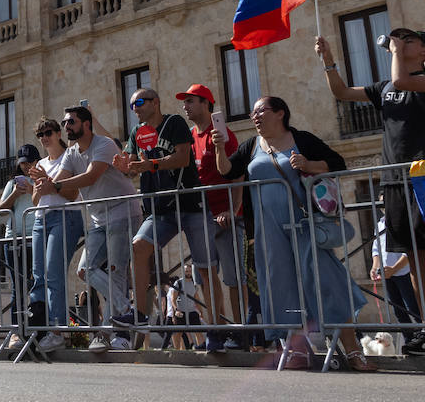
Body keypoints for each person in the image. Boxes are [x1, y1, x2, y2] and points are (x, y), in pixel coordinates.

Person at [316, 28, 425, 357]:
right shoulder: (385, 87)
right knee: (416, 256)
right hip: (396, 180)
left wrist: (395, 51)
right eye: (398, 39)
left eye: (409, 40)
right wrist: (329, 61)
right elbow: (342, 91)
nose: (400, 43)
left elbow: (402, 81)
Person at [216, 96, 375, 372]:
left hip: (304, 224)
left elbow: (337, 163)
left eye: (260, 111)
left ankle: (352, 350)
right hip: (268, 230)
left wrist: (309, 165)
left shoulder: (301, 139)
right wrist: (219, 147)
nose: (255, 117)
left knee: (327, 281)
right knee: (281, 288)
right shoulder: (251, 145)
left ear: (280, 113)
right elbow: (228, 171)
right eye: (252, 113)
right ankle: (298, 351)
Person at [109, 87, 214, 352]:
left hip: (189, 204)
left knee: (205, 271)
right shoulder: (136, 133)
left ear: (155, 102)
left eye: (139, 103)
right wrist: (125, 168)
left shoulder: (174, 122)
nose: (135, 109)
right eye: (132, 105)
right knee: (138, 247)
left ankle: (216, 333)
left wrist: (151, 165)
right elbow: (134, 167)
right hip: (160, 210)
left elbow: (183, 157)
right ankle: (140, 315)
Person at [41, 106, 139, 349]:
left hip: (122, 211)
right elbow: (61, 181)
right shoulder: (71, 152)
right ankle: (125, 308)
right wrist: (45, 182)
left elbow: (90, 176)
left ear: (86, 124)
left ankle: (115, 336)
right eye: (64, 122)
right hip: (98, 219)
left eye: (71, 122)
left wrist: (54, 185)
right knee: (85, 270)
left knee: (116, 272)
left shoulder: (104, 144)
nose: (66, 126)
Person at [177, 83, 244, 349]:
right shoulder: (189, 136)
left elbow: (237, 175)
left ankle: (242, 333)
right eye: (184, 101)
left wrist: (233, 210)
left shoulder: (222, 134)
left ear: (206, 104)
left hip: (226, 217)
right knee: (205, 276)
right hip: (200, 217)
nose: (185, 106)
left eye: (190, 101)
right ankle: (218, 331)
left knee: (234, 278)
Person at [22, 118, 87, 354]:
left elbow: (72, 194)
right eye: (40, 135)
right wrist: (39, 184)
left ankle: (58, 331)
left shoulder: (69, 157)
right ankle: (40, 328)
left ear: (58, 133)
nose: (44, 138)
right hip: (41, 219)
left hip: (65, 216)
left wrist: (47, 181)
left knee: (54, 274)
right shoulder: (40, 163)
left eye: (48, 132)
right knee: (39, 276)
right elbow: (35, 200)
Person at [0, 144, 39, 332]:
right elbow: (0, 211)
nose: (26, 166)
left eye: (29, 162)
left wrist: (32, 189)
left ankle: (37, 328)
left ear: (37, 161)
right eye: (22, 163)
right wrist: (14, 193)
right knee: (18, 288)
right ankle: (18, 331)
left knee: (38, 284)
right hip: (13, 239)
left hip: (35, 236)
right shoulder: (11, 183)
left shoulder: (42, 180)